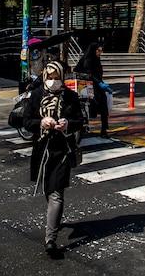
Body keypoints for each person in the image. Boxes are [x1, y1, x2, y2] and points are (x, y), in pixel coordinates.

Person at [22, 61, 84, 257]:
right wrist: (42, 122)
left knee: (56, 192)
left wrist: (67, 124)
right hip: (42, 150)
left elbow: (79, 121)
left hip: (62, 150)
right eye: (49, 78)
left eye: (57, 78)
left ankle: (51, 238)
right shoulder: (36, 95)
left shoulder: (71, 97)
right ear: (44, 78)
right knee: (49, 190)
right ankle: (54, 221)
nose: (53, 82)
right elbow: (26, 121)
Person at [74, 42, 110, 137]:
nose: (100, 53)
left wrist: (101, 83)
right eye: (99, 50)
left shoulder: (97, 59)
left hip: (97, 86)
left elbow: (98, 73)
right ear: (94, 50)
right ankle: (83, 127)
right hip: (87, 86)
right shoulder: (88, 59)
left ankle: (104, 129)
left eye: (101, 51)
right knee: (87, 106)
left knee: (104, 105)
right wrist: (99, 82)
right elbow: (88, 74)